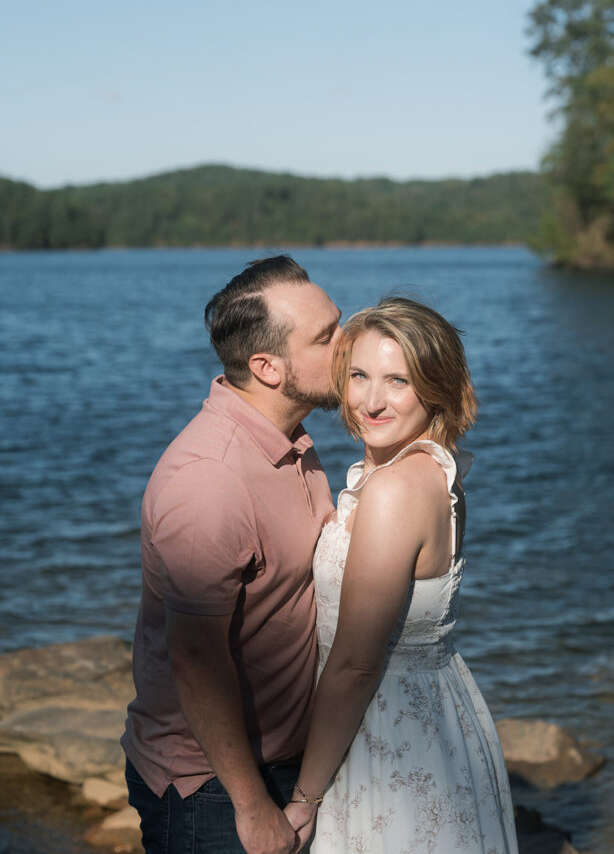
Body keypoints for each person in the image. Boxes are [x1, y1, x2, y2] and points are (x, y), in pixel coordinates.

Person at [121, 255, 342, 854]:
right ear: (267, 367)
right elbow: (195, 661)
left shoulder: (291, 441)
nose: (349, 345)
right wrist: (251, 808)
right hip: (214, 788)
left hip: (284, 764)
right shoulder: (210, 482)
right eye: (327, 337)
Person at [284, 297, 518, 854]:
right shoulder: (436, 468)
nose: (371, 400)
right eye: (359, 376)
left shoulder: (393, 490)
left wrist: (305, 797)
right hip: (435, 710)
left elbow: (357, 662)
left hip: (385, 731)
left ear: (434, 387)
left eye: (398, 380)